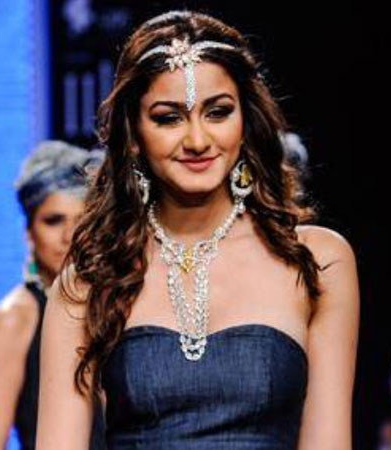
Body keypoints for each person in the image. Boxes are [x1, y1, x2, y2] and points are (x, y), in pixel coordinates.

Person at [36, 10, 359, 449]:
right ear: (133, 134)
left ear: (246, 122)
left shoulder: (318, 260)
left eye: (218, 113)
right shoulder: (89, 282)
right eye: (169, 118)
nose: (197, 140)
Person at [0, 141, 104, 450]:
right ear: (29, 232)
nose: (69, 236)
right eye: (53, 220)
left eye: (81, 221)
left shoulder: (118, 306)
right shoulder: (14, 318)